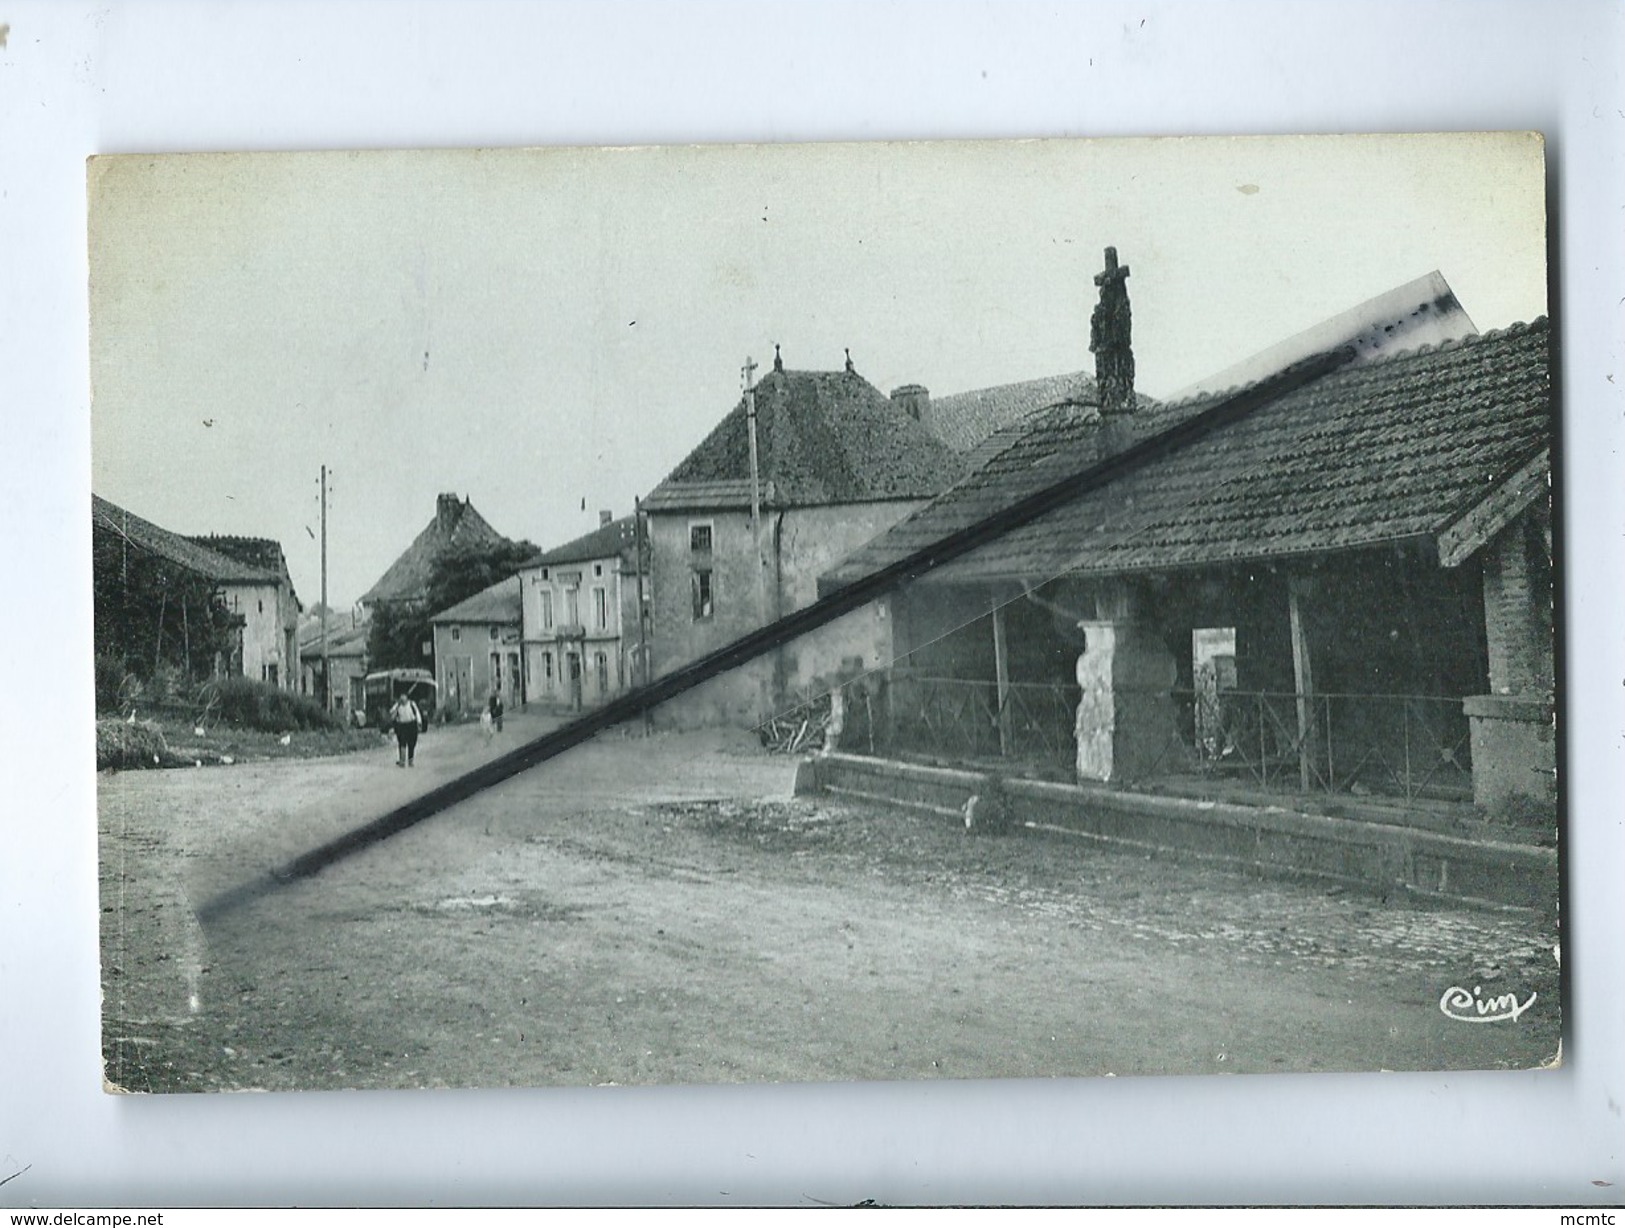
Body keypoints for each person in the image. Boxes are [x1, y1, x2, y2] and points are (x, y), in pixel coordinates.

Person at [390, 692, 422, 767]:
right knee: (402, 743)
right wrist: (396, 707)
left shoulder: (412, 704)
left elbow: (417, 713)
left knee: (411, 744)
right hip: (402, 726)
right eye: (401, 697)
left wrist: (419, 723)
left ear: (407, 697)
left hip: (411, 725)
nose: (402, 698)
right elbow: (391, 713)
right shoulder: (398, 705)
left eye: (404, 696)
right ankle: (402, 761)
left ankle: (410, 761)